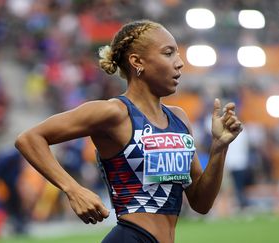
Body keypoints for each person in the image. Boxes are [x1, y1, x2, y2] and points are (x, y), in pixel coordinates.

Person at [14, 19, 243, 243]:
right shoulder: (115, 113)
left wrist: (219, 148)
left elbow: (201, 203)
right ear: (137, 61)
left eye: (178, 54)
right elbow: (29, 139)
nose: (179, 62)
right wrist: (72, 189)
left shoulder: (179, 119)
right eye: (168, 53)